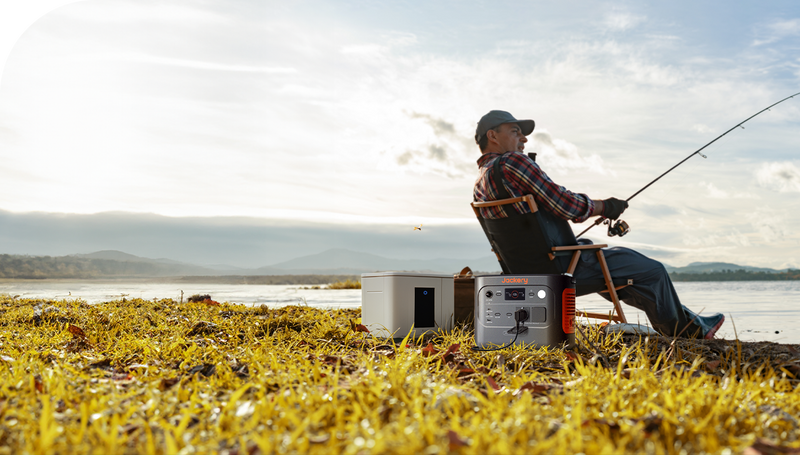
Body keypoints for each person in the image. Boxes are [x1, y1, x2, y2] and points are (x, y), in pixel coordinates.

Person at [472, 110, 725, 339]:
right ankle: (685, 331)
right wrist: (606, 206)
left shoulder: (479, 184)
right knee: (652, 270)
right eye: (515, 132)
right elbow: (566, 205)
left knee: (613, 261)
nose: (524, 139)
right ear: (492, 136)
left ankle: (692, 322)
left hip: (526, 272)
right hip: (562, 270)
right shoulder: (514, 162)